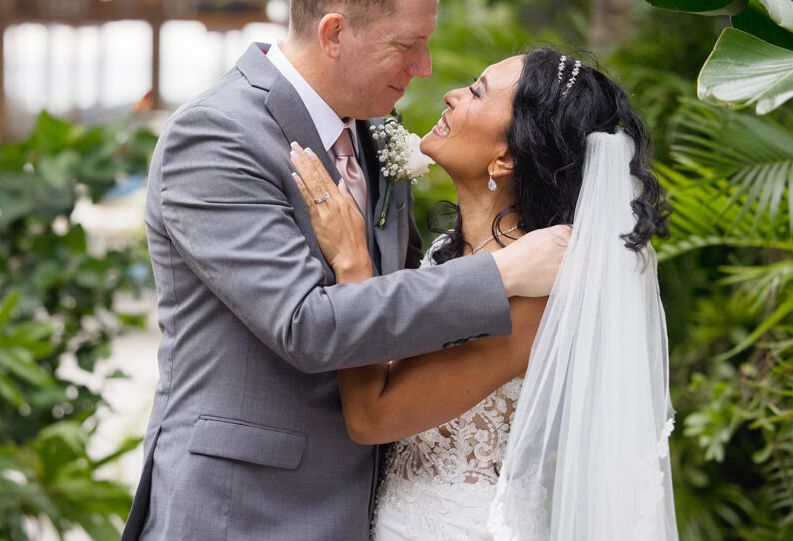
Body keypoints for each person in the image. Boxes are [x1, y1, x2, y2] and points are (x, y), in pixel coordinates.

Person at [121, 0, 571, 540]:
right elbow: (306, 325)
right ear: (335, 33)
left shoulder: (374, 133)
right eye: (406, 45)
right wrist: (503, 273)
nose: (424, 68)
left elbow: (396, 318)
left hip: (369, 510)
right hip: (244, 512)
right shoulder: (217, 136)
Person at [290, 47, 678, 539]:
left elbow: (373, 416)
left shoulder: (534, 295)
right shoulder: (451, 253)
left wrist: (352, 264)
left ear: (508, 155)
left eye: (476, 92)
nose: (451, 94)